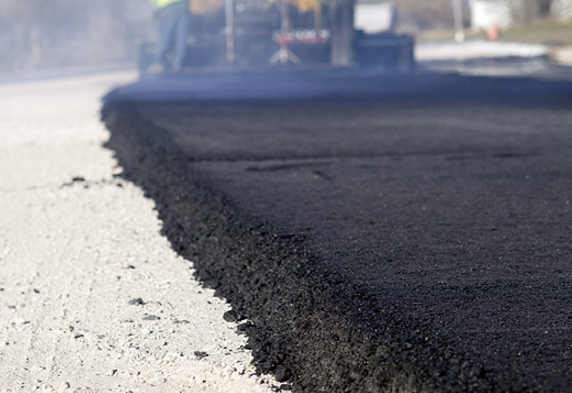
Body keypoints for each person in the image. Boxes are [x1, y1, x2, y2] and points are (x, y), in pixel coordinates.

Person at [151, 0, 190, 72]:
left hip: (167, 6)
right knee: (181, 36)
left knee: (164, 34)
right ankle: (178, 62)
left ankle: (158, 62)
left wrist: (155, 8)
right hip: (182, 5)